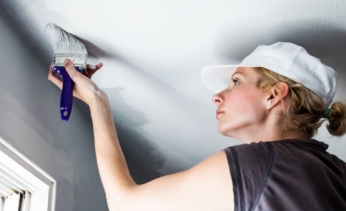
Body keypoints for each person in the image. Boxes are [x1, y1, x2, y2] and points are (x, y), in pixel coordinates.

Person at [48, 42, 346, 211]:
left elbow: (125, 203)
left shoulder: (260, 165)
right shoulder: (337, 172)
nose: (217, 95)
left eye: (236, 82)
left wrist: (97, 101)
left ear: (273, 94)